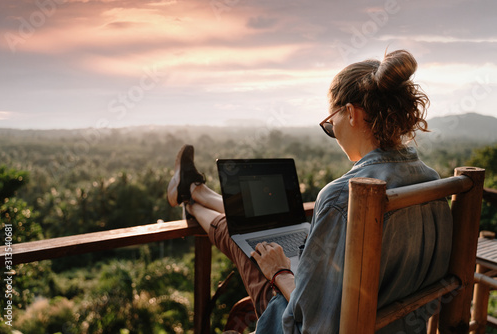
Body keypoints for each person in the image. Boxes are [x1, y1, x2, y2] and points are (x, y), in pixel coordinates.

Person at [167, 49, 452, 334]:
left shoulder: (344, 196)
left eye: (331, 123)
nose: (333, 131)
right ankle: (196, 193)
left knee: (246, 237)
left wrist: (280, 272)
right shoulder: (432, 182)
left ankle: (190, 199)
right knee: (255, 232)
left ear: (351, 113)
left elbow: (316, 323)